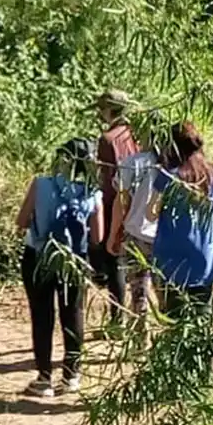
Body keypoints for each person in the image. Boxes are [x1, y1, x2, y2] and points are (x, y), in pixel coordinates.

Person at [15, 138, 103, 397]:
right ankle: (72, 375)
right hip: (75, 259)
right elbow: (97, 237)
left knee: (42, 315)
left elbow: (21, 221)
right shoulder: (92, 192)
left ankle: (43, 378)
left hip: (39, 256)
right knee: (73, 314)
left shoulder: (40, 184)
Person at [148, 120, 213, 322]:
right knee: (202, 318)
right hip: (205, 256)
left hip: (171, 260)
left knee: (176, 320)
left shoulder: (168, 177)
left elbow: (150, 214)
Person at [107, 120, 165, 322]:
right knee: (165, 291)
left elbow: (122, 200)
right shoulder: (173, 166)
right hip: (164, 237)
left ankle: (141, 342)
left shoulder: (132, 163)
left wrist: (114, 233)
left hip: (136, 235)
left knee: (139, 292)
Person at [91, 90, 140, 328]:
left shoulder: (107, 139)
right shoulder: (137, 135)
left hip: (114, 205)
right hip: (140, 204)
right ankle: (138, 321)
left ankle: (117, 321)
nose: (99, 114)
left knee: (115, 263)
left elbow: (107, 179)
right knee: (139, 266)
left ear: (109, 109)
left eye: (101, 109)